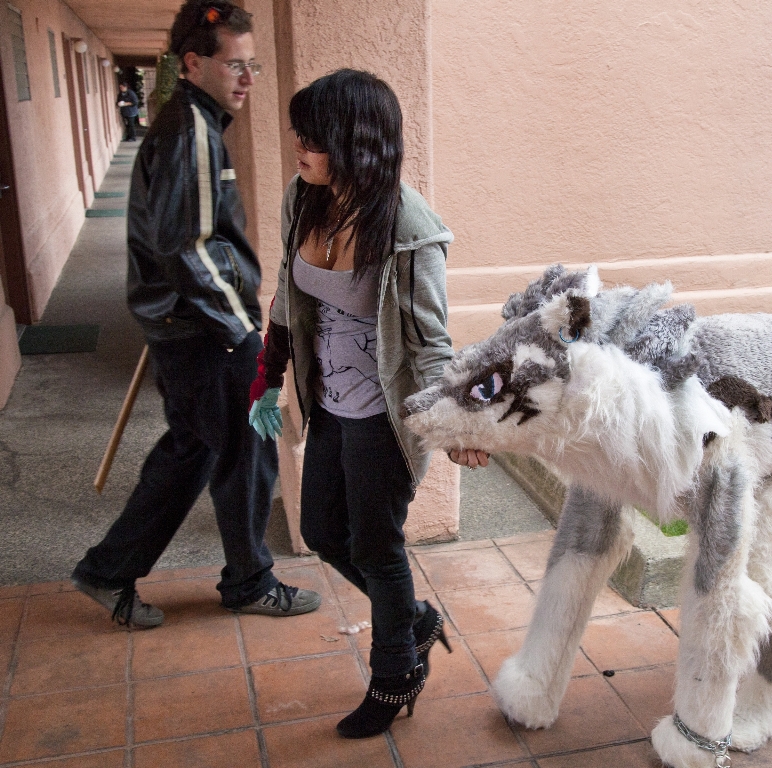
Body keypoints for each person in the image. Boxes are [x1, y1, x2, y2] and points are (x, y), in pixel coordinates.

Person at [248, 69, 488, 739]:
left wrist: (457, 420)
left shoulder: (410, 229)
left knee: (379, 548)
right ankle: (410, 619)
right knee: (324, 532)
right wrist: (270, 376)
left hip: (384, 414)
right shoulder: (305, 198)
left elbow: (431, 343)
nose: (300, 144)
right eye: (300, 131)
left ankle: (394, 674)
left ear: (356, 142)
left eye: (314, 135)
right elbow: (287, 297)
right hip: (326, 402)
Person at [71, 0, 320, 629]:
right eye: (234, 64)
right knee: (250, 446)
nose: (248, 78)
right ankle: (249, 581)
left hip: (185, 330)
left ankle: (109, 570)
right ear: (192, 63)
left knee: (193, 451)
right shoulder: (192, 133)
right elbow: (190, 247)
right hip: (208, 334)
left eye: (253, 64)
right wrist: (242, 331)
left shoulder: (192, 124)